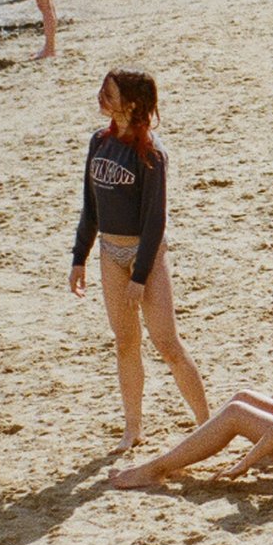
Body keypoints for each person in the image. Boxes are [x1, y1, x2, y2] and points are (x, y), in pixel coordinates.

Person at [109, 278, 273, 489]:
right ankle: (178, 455)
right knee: (243, 399)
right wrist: (251, 420)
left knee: (237, 415)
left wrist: (246, 462)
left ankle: (153, 470)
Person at [70, 70, 211, 455]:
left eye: (109, 93)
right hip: (110, 254)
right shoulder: (98, 142)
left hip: (145, 254)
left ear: (131, 104)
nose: (101, 96)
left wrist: (142, 275)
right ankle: (133, 429)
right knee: (125, 343)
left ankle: (206, 423)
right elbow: (91, 206)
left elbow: (155, 220)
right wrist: (78, 258)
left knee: (167, 343)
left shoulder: (151, 153)